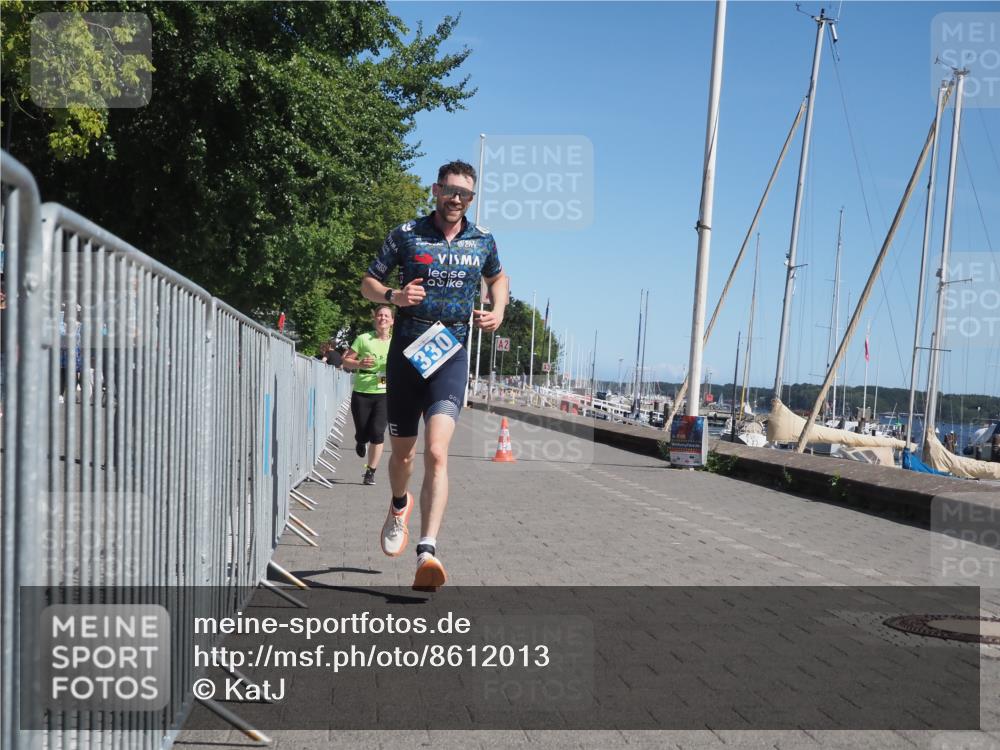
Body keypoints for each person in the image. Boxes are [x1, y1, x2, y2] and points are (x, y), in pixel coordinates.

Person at [361, 160, 508, 591]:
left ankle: (427, 550)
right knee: (402, 456)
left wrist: (498, 310)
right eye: (450, 191)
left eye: (465, 193)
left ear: (472, 198)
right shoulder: (406, 235)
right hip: (406, 357)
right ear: (436, 190)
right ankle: (398, 505)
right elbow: (368, 282)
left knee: (438, 453)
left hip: (450, 354)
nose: (457, 199)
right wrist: (394, 295)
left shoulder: (483, 240)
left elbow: (498, 278)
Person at [341, 307, 394, 486]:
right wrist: (359, 363)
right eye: (380, 315)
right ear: (375, 319)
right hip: (362, 391)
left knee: (378, 433)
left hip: (384, 392)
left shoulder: (397, 342)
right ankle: (360, 440)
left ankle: (370, 472)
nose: (383, 318)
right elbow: (346, 361)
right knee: (363, 431)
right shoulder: (364, 339)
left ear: (392, 321)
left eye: (387, 315)